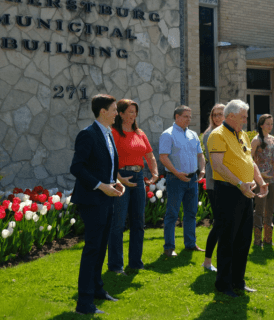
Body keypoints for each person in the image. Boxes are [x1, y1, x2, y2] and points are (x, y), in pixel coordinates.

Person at [70, 94, 125, 315]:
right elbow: (77, 168)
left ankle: (97, 291)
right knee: (92, 249)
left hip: (106, 198)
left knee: (101, 247)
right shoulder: (88, 134)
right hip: (92, 200)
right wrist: (102, 186)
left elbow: (105, 166)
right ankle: (84, 303)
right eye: (113, 109)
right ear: (103, 111)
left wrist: (116, 182)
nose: (116, 113)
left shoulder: (109, 134)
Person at [207, 99, 268, 298]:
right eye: (243, 116)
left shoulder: (242, 135)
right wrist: (239, 184)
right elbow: (218, 166)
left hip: (245, 192)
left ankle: (238, 282)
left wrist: (260, 181)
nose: (246, 120)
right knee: (227, 239)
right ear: (231, 115)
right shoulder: (217, 135)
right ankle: (223, 284)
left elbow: (249, 161)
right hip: (228, 192)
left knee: (243, 239)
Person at [108, 99, 159, 275]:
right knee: (118, 223)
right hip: (121, 177)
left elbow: (150, 155)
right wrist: (119, 178)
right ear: (120, 114)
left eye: (135, 112)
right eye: (129, 112)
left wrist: (154, 173)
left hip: (138, 177)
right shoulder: (113, 133)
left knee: (138, 222)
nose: (133, 115)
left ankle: (136, 263)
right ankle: (115, 266)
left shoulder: (140, 133)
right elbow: (109, 159)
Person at [159, 105, 206, 257]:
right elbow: (163, 157)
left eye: (190, 117)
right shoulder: (168, 134)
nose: (189, 119)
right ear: (177, 117)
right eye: (186, 116)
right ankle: (169, 248)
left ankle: (190, 244)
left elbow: (200, 155)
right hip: (175, 179)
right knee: (172, 214)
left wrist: (202, 169)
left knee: (191, 213)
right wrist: (177, 173)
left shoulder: (193, 134)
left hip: (192, 179)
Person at [251, 114, 274, 246]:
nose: (270, 126)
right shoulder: (256, 140)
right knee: (259, 209)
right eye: (268, 124)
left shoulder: (273, 139)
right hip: (261, 180)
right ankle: (257, 241)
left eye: (272, 124)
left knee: (270, 210)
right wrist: (259, 174)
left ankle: (268, 240)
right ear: (261, 125)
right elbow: (248, 159)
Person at [202, 103, 225, 272]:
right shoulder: (209, 134)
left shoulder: (230, 133)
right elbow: (217, 162)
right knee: (219, 222)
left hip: (228, 182)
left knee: (225, 222)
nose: (217, 117)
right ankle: (208, 261)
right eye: (214, 114)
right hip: (214, 182)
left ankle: (223, 259)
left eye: (220, 114)